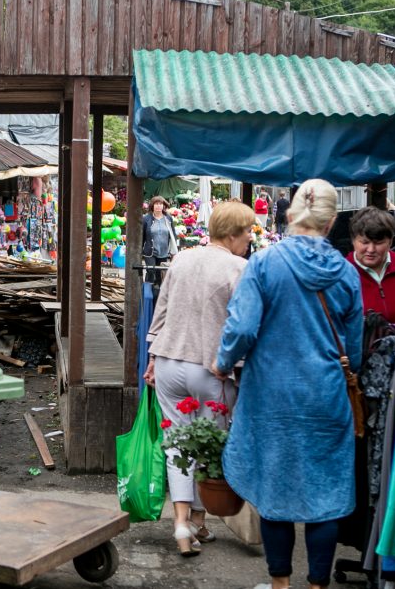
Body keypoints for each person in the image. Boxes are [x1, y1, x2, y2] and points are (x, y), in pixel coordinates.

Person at [213, 179, 363, 589]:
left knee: (273, 489)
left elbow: (242, 328)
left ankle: (280, 585)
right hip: (327, 396)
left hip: (271, 396)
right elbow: (355, 347)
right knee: (326, 495)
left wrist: (222, 362)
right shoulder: (347, 273)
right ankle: (317, 585)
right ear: (332, 222)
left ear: (291, 214)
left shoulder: (264, 263)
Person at [143, 201, 255, 557]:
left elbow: (161, 311)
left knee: (177, 443)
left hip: (168, 363)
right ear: (234, 233)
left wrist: (151, 358)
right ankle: (199, 519)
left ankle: (180, 523)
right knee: (208, 446)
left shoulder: (182, 259)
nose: (251, 238)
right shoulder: (240, 268)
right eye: (249, 231)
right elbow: (244, 326)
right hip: (211, 368)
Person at [141, 196, 178, 286]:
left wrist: (174, 252)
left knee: (160, 275)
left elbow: (173, 235)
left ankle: (158, 296)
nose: (158, 206)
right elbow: (142, 236)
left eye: (160, 204)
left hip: (164, 252)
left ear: (163, 206)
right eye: (156, 204)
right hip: (150, 252)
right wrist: (139, 251)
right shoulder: (146, 219)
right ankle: (147, 295)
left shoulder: (168, 218)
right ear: (152, 206)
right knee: (151, 272)